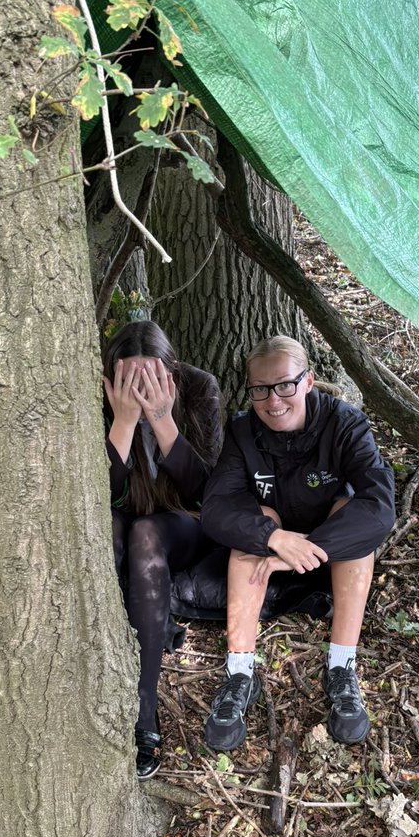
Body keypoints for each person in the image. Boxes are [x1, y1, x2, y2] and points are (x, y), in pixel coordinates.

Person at [201, 336, 395, 751]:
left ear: (308, 381)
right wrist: (273, 538)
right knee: (256, 521)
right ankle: (239, 674)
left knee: (351, 510)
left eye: (285, 385)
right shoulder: (241, 431)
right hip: (272, 546)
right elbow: (216, 507)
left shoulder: (344, 423)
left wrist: (306, 549)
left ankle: (341, 666)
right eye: (261, 390)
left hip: (329, 550)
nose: (273, 401)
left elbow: (379, 505)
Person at [103, 320, 222, 778]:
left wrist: (162, 420)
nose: (140, 387)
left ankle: (143, 710)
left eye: (150, 376)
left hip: (182, 524)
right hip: (120, 514)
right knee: (116, 533)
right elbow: (96, 492)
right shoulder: (99, 394)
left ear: (170, 371)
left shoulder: (199, 388)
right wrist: (124, 421)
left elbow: (207, 492)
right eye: (129, 378)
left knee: (146, 533)